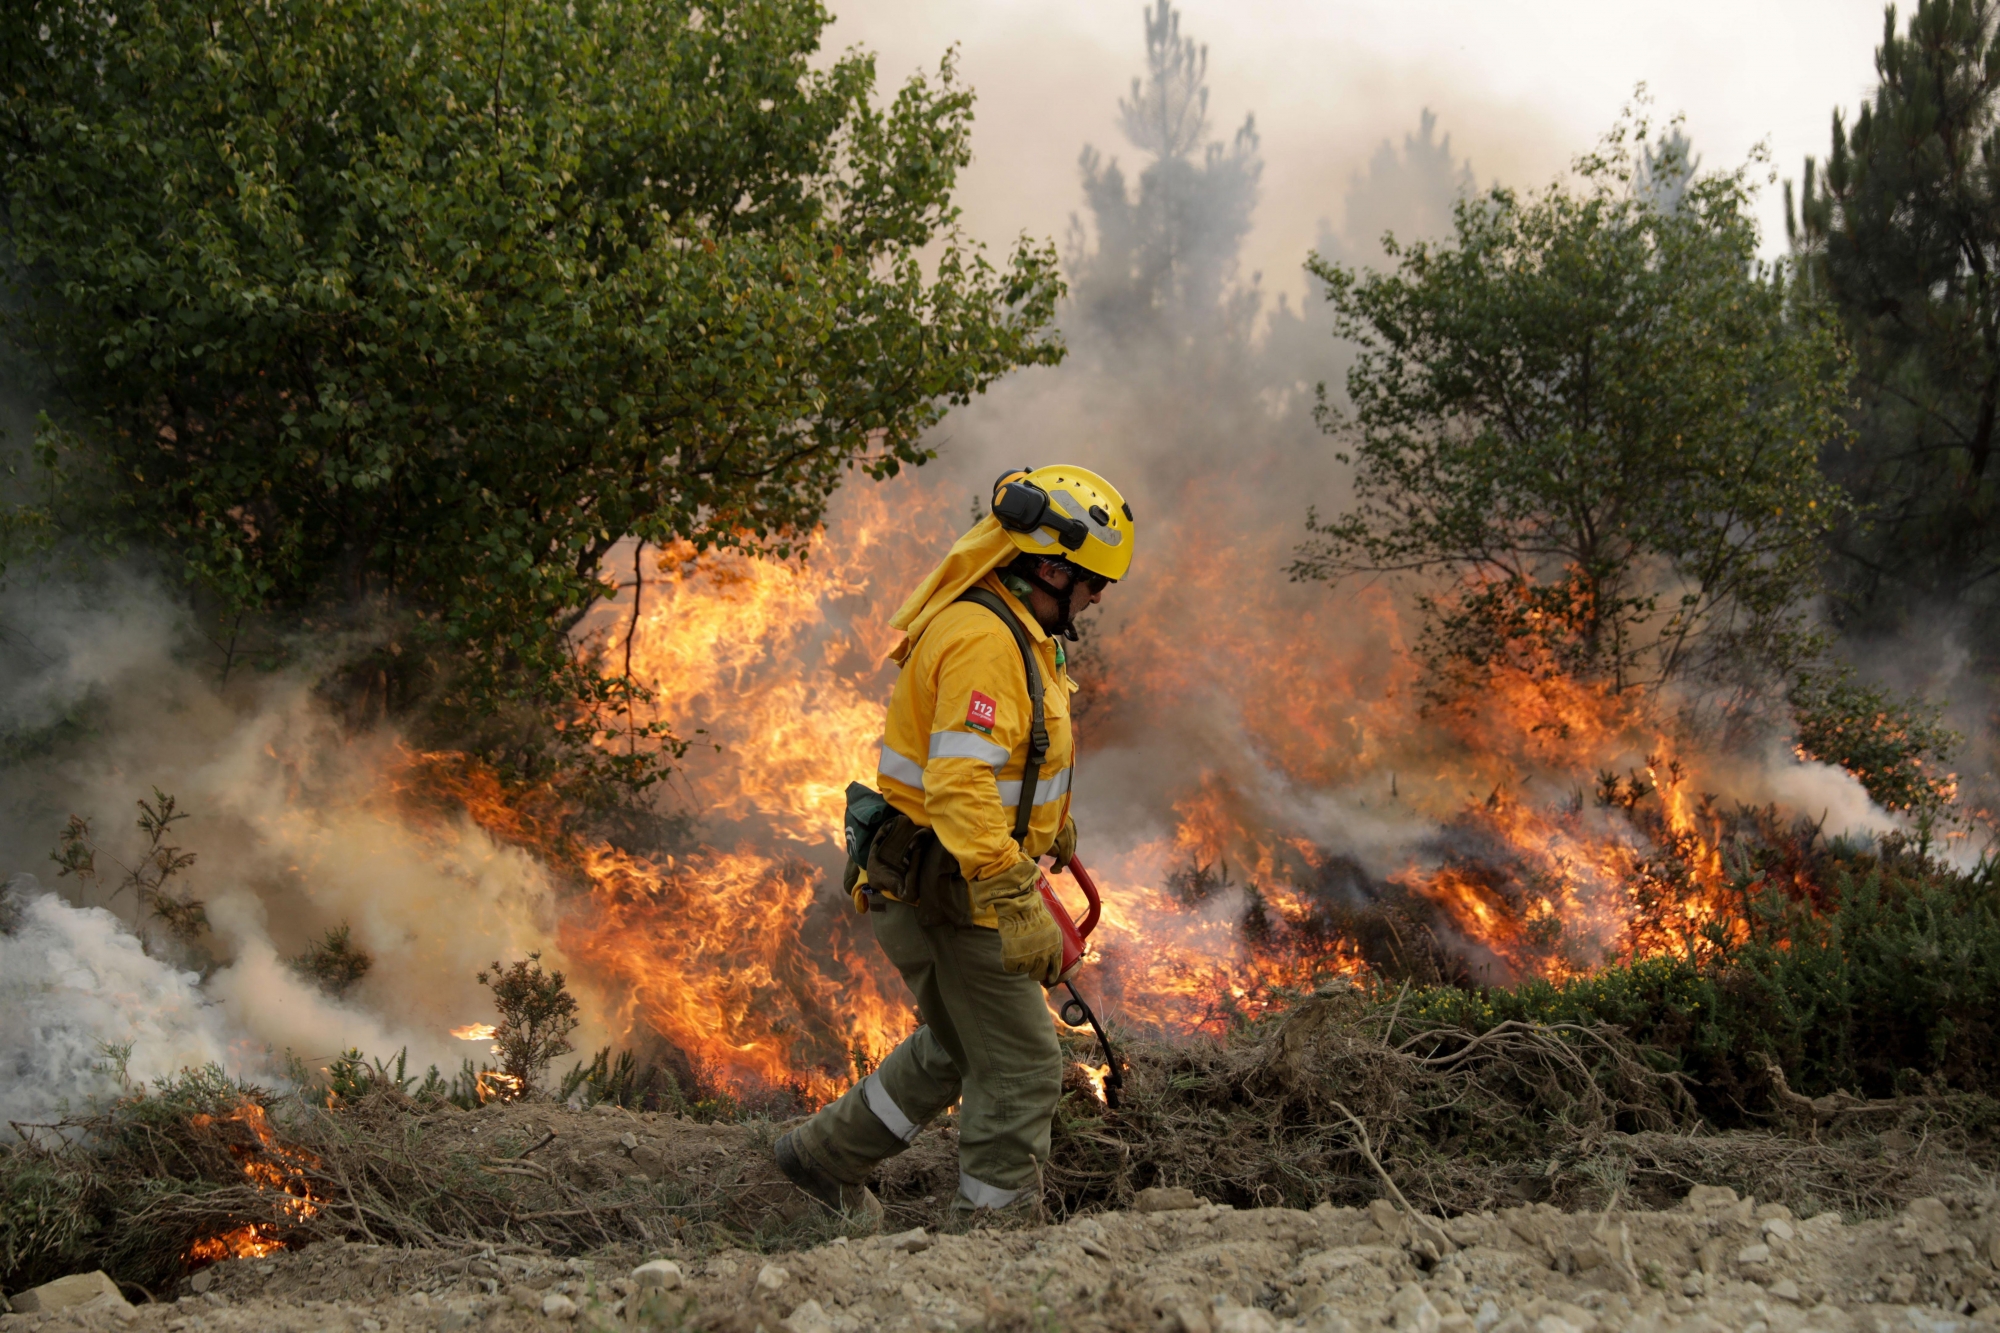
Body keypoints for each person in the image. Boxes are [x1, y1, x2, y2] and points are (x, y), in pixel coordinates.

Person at [774, 464, 1135, 1227]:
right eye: (1092, 581)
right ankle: (992, 1242)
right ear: (1048, 565)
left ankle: (821, 1157)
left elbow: (1014, 753)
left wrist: (1048, 828)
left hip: (957, 879)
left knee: (956, 1043)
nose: (1098, 597)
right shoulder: (982, 639)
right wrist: (1011, 891)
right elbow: (961, 785)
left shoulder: (1024, 629)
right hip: (952, 893)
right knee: (1025, 1064)